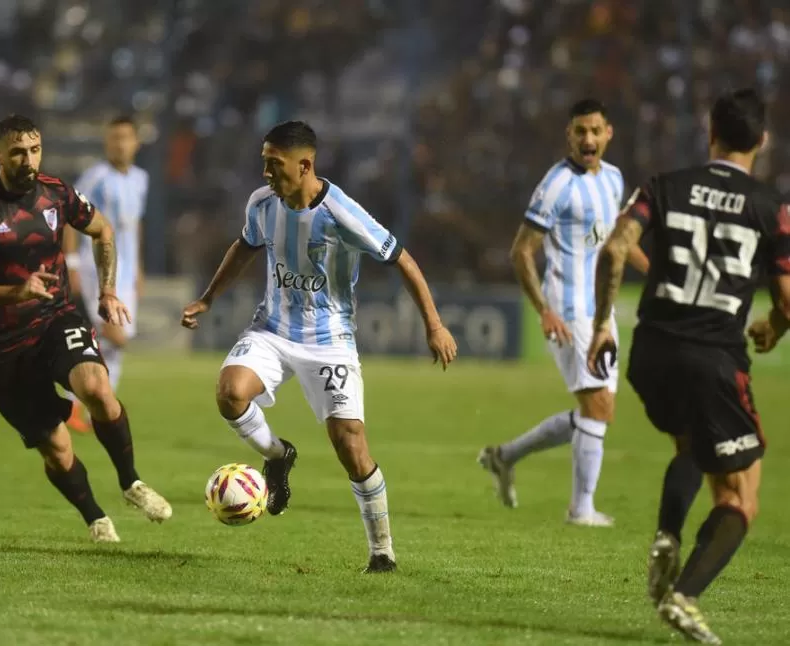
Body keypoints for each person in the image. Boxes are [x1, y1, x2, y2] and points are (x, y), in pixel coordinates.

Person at [179, 121, 458, 573]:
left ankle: (381, 551)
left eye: (275, 163)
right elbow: (245, 247)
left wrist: (435, 324)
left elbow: (401, 259)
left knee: (350, 445)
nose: (266, 171)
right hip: (271, 328)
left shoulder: (342, 213)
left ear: (304, 164)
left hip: (330, 342)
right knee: (230, 392)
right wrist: (208, 298)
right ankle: (277, 456)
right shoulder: (262, 203)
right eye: (264, 161)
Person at [586, 88, 790, 644]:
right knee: (741, 490)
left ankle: (668, 536)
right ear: (763, 142)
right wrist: (773, 328)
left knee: (691, 444)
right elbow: (787, 299)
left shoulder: (664, 185)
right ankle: (685, 596)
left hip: (651, 351)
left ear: (710, 133)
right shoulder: (772, 207)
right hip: (714, 359)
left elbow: (615, 248)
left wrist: (604, 323)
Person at [0, 114, 172, 543]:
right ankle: (93, 515)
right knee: (57, 447)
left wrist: (107, 291)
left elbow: (103, 230)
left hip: (56, 319)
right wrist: (18, 291)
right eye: (17, 152)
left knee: (97, 388)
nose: (27, 159)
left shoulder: (57, 193)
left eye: (34, 149)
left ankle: (131, 483)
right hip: (5, 348)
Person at [478, 99, 649, 526]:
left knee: (600, 409)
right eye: (579, 132)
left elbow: (618, 243)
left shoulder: (612, 179)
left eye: (595, 130)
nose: (587, 139)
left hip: (601, 309)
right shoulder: (557, 185)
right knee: (598, 406)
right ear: (568, 136)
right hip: (569, 309)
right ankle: (581, 509)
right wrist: (544, 310)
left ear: (608, 132)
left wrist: (658, 272)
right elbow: (521, 251)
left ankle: (506, 456)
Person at [63, 115, 148, 432]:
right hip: (96, 264)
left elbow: (135, 224)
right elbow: (71, 218)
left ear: (136, 142)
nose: (119, 144)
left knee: (115, 345)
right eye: (113, 138)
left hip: (126, 271)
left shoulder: (141, 178)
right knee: (115, 335)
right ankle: (74, 390)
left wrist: (138, 269)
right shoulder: (94, 177)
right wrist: (70, 262)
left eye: (125, 138)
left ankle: (90, 407)